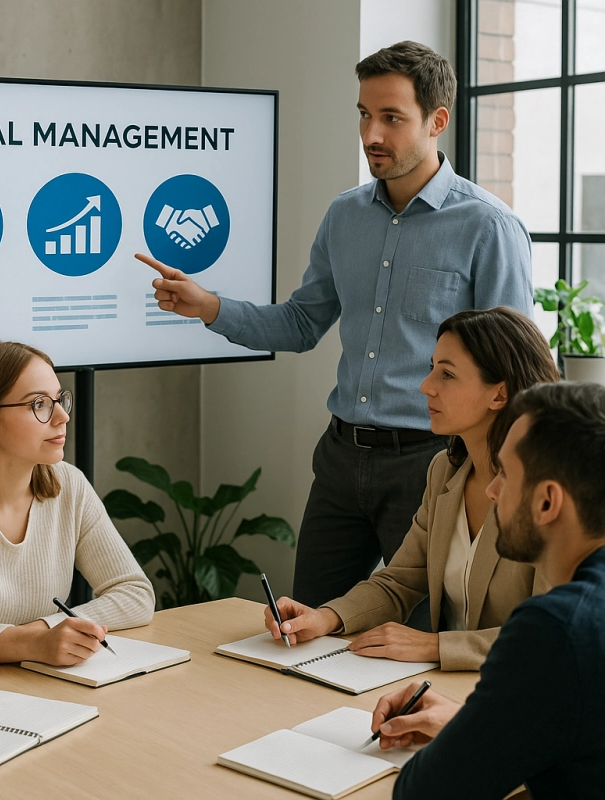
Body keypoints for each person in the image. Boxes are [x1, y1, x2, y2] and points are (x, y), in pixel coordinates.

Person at [136, 40, 534, 614]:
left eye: (392, 118)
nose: (372, 133)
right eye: (365, 115)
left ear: (437, 121)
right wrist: (209, 307)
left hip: (433, 464)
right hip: (341, 461)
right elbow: (301, 323)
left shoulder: (488, 228)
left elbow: (514, 374)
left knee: (412, 643)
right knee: (305, 627)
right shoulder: (344, 216)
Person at [263, 308, 558, 670]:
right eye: (432, 368)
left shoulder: (551, 495)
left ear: (499, 395)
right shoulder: (444, 472)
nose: (426, 386)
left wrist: (436, 646)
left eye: (447, 374)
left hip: (521, 691)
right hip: (449, 687)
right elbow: (399, 580)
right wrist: (325, 618)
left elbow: (550, 634)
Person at [370, 381, 605, 799]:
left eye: (507, 475)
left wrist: (468, 734)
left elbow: (424, 792)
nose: (492, 490)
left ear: (548, 502)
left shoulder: (553, 629)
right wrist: (481, 725)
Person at [0, 339, 155, 666]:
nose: (62, 417)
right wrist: (35, 644)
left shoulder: (67, 483)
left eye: (59, 400)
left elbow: (135, 593)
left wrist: (47, 629)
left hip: (50, 680)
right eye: (39, 404)